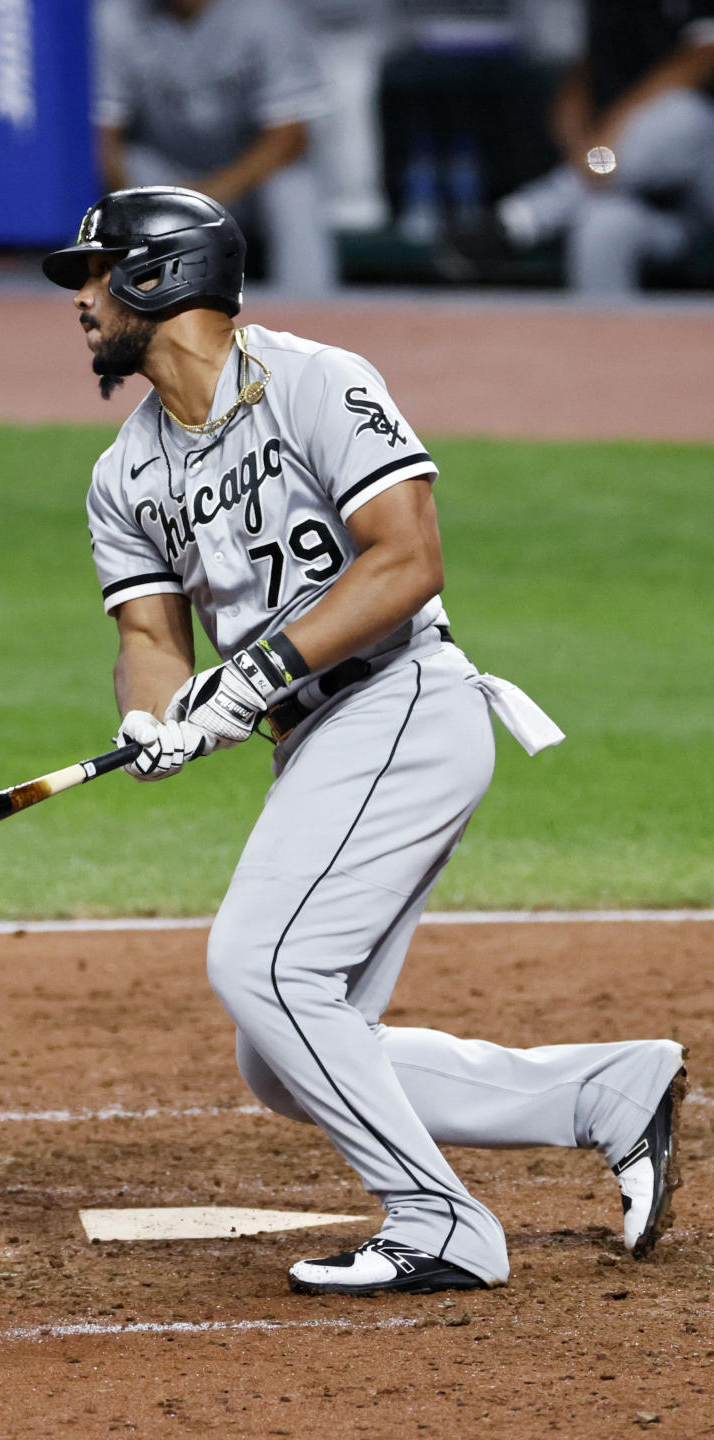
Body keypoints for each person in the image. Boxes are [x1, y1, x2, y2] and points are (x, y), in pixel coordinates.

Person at [42, 185, 687, 1296]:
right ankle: (606, 1093)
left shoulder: (315, 381)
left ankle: (440, 1222)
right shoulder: (123, 475)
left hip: (402, 705)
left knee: (262, 965)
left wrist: (255, 671)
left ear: (162, 276)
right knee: (287, 1054)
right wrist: (156, 713)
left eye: (97, 275)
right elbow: (150, 633)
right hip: (321, 741)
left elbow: (407, 558)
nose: (80, 302)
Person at [444, 0, 714, 294]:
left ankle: (519, 219)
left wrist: (614, 127)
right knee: (601, 227)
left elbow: (704, 55)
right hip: (648, 201)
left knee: (682, 115)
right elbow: (588, 67)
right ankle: (608, 339)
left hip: (702, 175)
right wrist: (579, 136)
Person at [91, 0, 337, 296]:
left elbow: (290, 137)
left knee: (293, 187)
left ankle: (308, 310)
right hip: (166, 174)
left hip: (248, 180)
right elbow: (103, 135)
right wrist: (141, 210)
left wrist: (208, 194)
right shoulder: (118, 17)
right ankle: (117, 306)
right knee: (119, 175)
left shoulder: (267, 13)